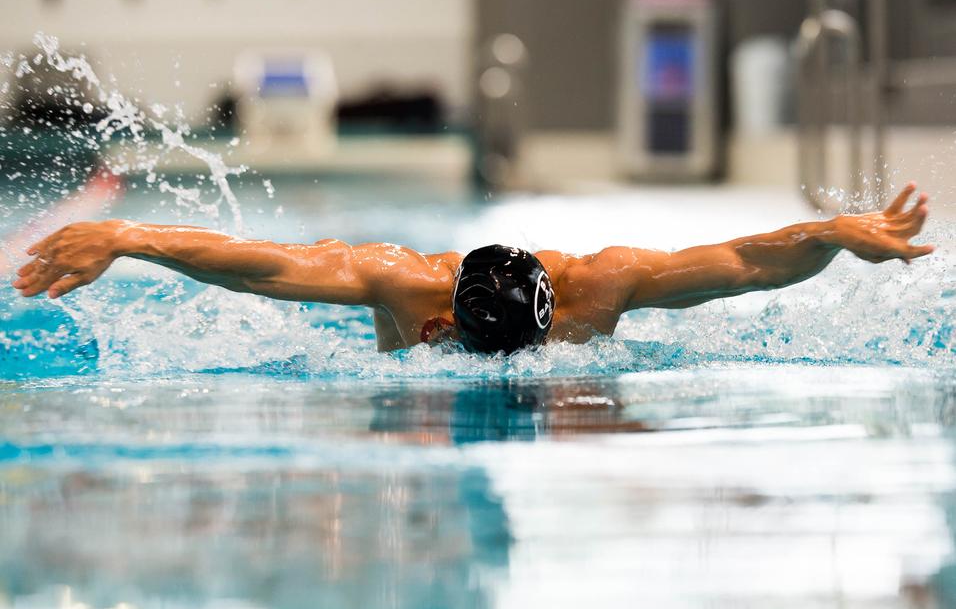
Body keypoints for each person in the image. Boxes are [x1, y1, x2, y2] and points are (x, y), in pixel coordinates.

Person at [12, 183, 934, 354]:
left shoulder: (601, 284)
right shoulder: (393, 276)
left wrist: (828, 232)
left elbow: (741, 261)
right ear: (440, 318)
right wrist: (131, 235)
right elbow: (260, 265)